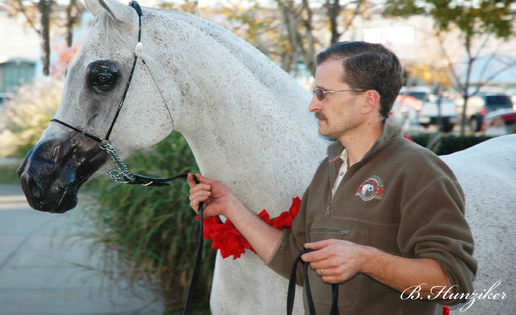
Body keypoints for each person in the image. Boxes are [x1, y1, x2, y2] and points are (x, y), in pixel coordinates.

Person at [188, 41, 476, 314]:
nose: (313, 105)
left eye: (323, 93)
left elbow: (454, 285)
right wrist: (229, 205)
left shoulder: (419, 170)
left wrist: (365, 260)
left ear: (368, 102)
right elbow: (296, 261)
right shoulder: (329, 169)